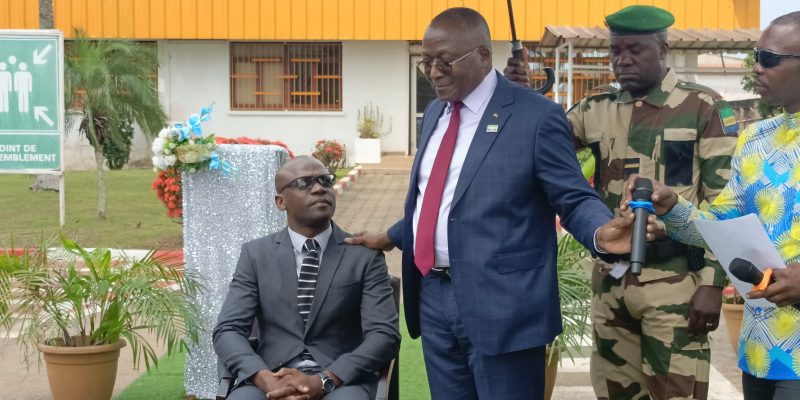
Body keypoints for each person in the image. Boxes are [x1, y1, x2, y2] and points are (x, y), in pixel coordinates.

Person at [346, 7, 655, 400]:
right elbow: (437, 201)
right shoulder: (436, 113)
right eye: (426, 62)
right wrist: (390, 236)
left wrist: (599, 232)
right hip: (434, 298)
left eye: (445, 61)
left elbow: (573, 196)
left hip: (505, 307)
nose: (434, 72)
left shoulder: (536, 117)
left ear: (482, 56)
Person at [503, 5, 740, 399]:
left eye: (635, 49)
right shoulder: (595, 108)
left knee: (677, 393)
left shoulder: (704, 107)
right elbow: (540, 142)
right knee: (615, 393)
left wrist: (713, 285)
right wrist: (521, 96)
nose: (622, 59)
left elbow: (726, 204)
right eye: (615, 50)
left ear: (663, 49)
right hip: (611, 282)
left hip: (676, 282)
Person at [623, 11, 800, 400]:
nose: (756, 67)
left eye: (768, 58)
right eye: (755, 55)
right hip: (762, 349)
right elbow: (720, 226)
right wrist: (672, 206)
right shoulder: (756, 138)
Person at [213, 156, 401, 400]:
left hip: (342, 381)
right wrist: (263, 378)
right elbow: (228, 329)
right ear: (280, 202)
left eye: (325, 180)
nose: (319, 188)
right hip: (270, 375)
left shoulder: (364, 255)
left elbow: (384, 335)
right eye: (304, 183)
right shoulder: (256, 254)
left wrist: (326, 380)